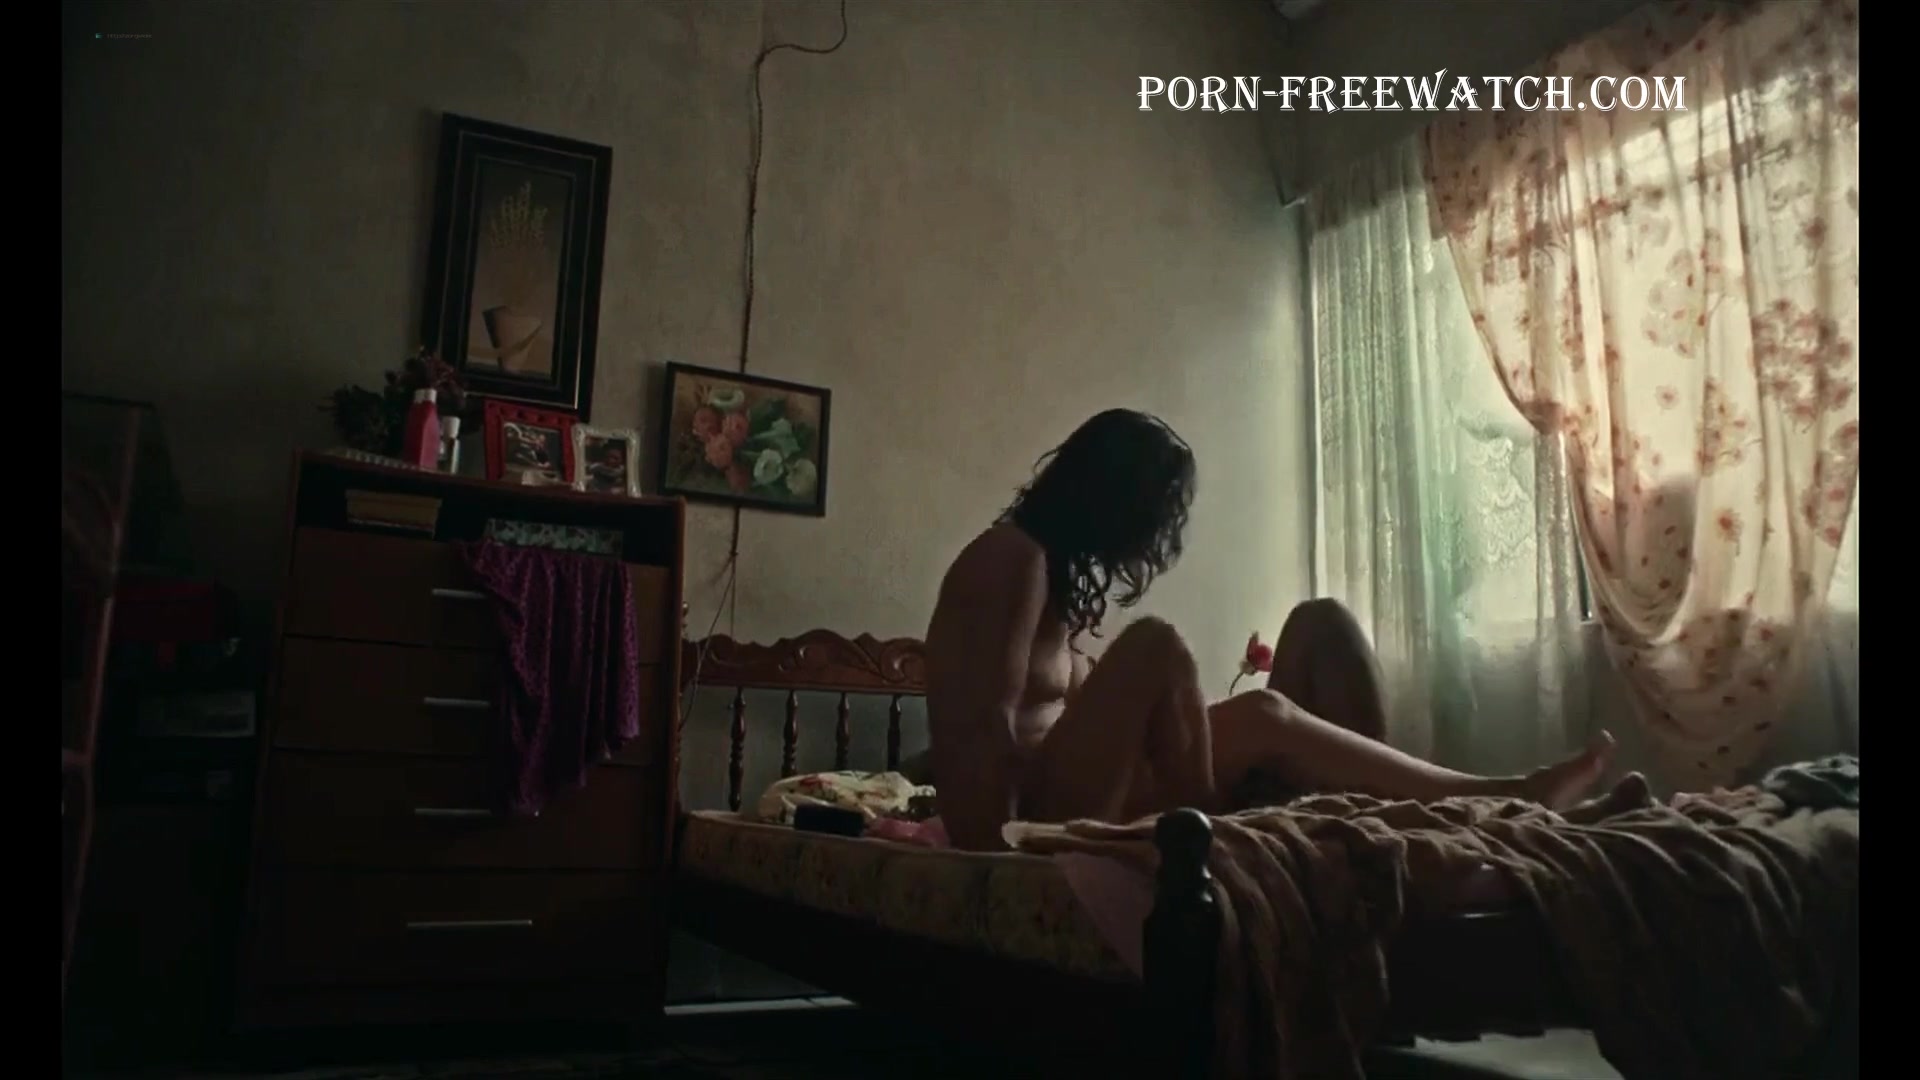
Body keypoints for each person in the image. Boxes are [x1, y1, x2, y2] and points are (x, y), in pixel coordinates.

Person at [924, 408, 1615, 853]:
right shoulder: (1009, 560)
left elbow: (1069, 731)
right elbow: (980, 748)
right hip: (1032, 821)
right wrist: (999, 853)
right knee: (1163, 649)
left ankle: (1436, 816)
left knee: (1318, 630)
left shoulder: (1051, 583)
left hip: (1092, 796)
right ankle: (1499, 800)